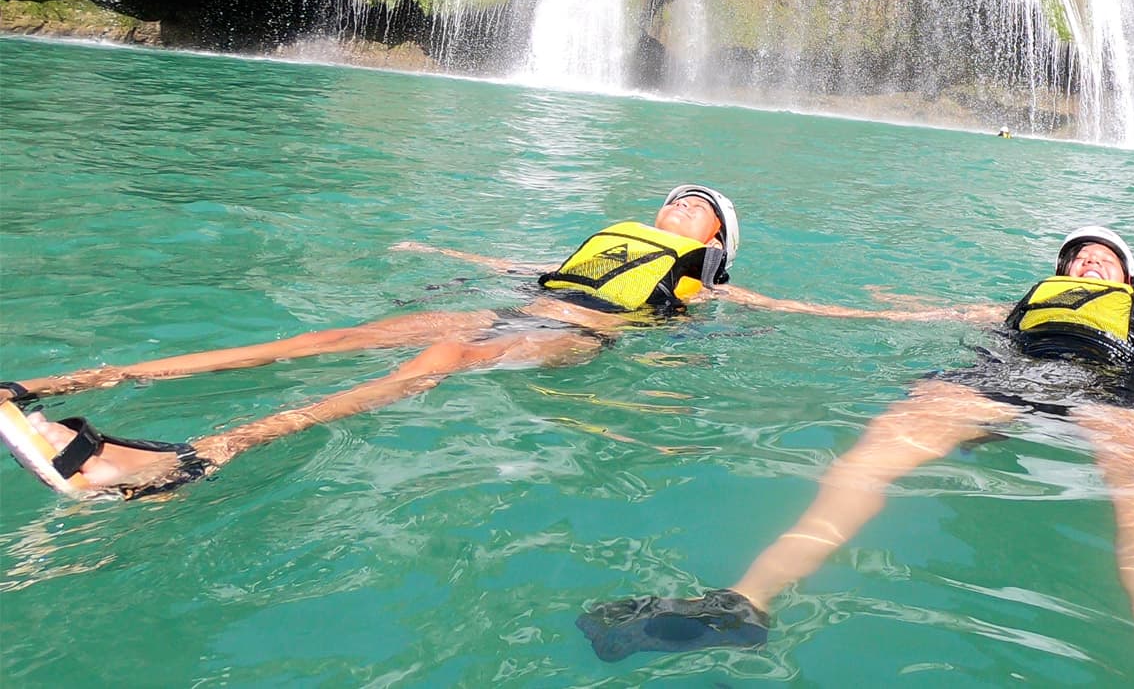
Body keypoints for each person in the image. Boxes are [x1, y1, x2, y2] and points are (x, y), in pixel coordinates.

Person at [582, 225, 1134, 689]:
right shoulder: (1008, 315)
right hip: (1004, 381)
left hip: (1120, 396)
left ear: (1129, 282)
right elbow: (886, 320)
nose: (1088, 258)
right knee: (875, 453)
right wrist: (786, 305)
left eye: (1104, 257)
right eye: (1077, 254)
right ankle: (743, 601)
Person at [0, 183, 837, 500]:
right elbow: (517, 264)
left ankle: (191, 457)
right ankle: (49, 385)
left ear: (719, 243)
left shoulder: (709, 283)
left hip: (579, 338)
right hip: (514, 306)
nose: (686, 205)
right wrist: (439, 256)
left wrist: (921, 316)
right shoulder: (614, 241)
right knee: (325, 338)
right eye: (679, 199)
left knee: (437, 364)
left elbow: (808, 316)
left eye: (703, 208)